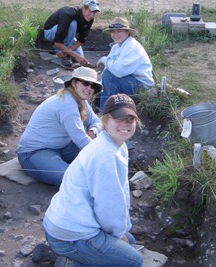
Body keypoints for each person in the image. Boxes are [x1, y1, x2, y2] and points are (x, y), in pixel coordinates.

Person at [43, 94, 143, 266]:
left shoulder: (117, 145)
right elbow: (108, 206)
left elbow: (120, 193)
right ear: (105, 121)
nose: (125, 124)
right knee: (133, 260)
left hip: (64, 225)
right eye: (118, 118)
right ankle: (69, 262)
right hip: (70, 235)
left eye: (130, 119)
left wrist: (122, 230)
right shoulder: (105, 155)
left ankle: (67, 256)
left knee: (131, 241)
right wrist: (118, 234)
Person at [17, 67, 102, 186]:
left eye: (93, 85)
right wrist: (102, 157)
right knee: (72, 178)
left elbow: (97, 122)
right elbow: (80, 139)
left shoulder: (81, 100)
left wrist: (92, 132)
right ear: (73, 83)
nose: (89, 88)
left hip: (63, 146)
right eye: (85, 83)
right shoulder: (67, 103)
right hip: (35, 152)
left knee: (93, 166)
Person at [96, 17, 154, 112]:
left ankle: (106, 113)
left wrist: (103, 59)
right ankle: (107, 109)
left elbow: (118, 71)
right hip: (128, 80)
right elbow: (109, 68)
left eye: (119, 31)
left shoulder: (131, 46)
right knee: (106, 76)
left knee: (110, 77)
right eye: (113, 32)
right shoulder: (116, 47)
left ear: (127, 33)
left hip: (140, 85)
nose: (116, 35)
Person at [41, 0, 100, 67]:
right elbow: (57, 43)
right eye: (90, 12)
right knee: (73, 24)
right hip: (51, 33)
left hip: (67, 35)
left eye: (94, 13)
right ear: (84, 8)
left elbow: (81, 40)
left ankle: (65, 53)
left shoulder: (89, 19)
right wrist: (73, 54)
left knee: (80, 57)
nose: (92, 16)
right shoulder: (68, 14)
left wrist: (67, 52)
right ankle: (65, 56)